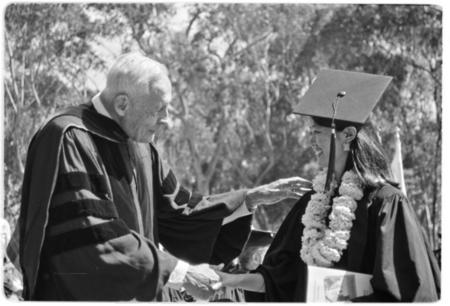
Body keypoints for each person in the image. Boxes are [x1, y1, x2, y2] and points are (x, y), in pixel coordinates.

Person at [9, 52, 312, 301]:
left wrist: (249, 199)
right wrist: (178, 272)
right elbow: (93, 235)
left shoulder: (143, 149)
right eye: (159, 110)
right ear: (122, 104)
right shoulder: (69, 137)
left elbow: (181, 213)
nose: (166, 121)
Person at [214, 69, 441, 302]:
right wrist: (231, 280)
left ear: (348, 135)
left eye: (317, 133)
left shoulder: (386, 203)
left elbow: (408, 292)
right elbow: (278, 279)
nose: (311, 142)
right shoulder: (311, 204)